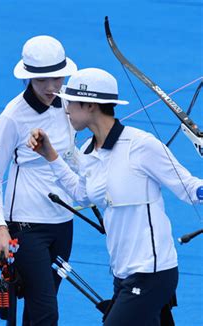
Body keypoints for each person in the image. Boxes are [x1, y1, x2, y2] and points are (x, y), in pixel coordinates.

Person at [28, 68, 203, 325]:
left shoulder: (142, 145)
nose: (65, 108)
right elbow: (83, 194)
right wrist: (51, 157)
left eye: (70, 101)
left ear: (89, 105)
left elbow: (190, 189)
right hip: (122, 274)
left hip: (152, 273)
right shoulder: (87, 151)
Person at [0, 35, 78, 325]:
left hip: (64, 222)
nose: (52, 88)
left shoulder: (69, 104)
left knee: (41, 306)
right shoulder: (12, 117)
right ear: (28, 78)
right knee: (46, 308)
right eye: (42, 81)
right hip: (26, 227)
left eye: (57, 78)